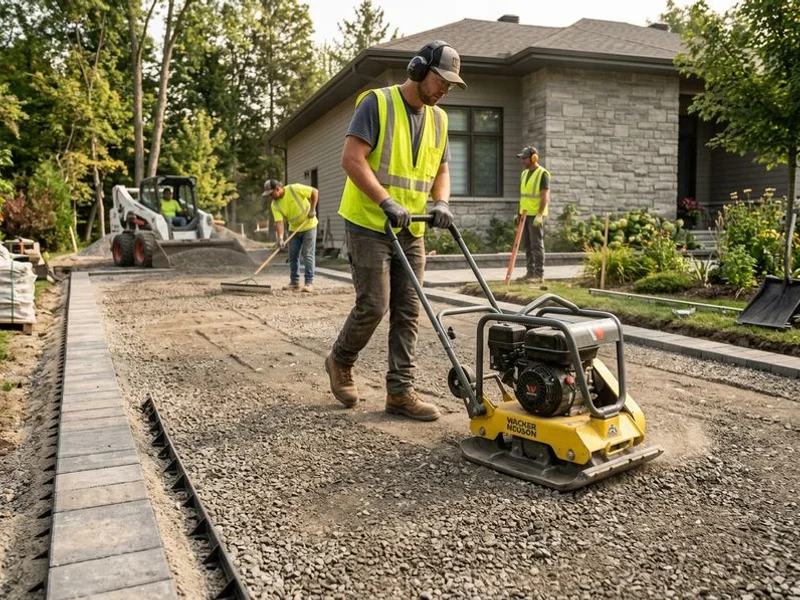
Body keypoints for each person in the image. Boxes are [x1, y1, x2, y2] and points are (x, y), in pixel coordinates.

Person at [324, 40, 466, 421]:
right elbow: (351, 159)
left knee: (409, 309)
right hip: (370, 222)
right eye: (441, 80)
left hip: (411, 228)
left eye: (451, 85)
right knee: (374, 304)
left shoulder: (440, 119)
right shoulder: (377, 103)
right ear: (419, 69)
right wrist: (385, 200)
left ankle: (400, 392)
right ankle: (340, 360)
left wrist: (442, 203)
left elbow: (441, 170)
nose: (444, 89)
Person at [264, 178, 319, 292]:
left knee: (308, 254)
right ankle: (294, 282)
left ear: (278, 189)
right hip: (294, 229)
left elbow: (314, 192)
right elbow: (279, 223)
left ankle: (309, 283)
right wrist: (280, 238)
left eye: (271, 194)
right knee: (293, 256)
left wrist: (312, 209)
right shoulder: (275, 205)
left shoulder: (295, 189)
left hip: (309, 225)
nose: (270, 197)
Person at [516, 145, 551, 282]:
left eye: (524, 158)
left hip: (535, 215)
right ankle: (530, 273)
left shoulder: (542, 173)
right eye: (522, 158)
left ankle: (538, 274)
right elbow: (523, 195)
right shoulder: (524, 173)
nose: (522, 161)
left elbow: (544, 196)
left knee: (536, 244)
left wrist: (540, 215)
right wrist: (518, 213)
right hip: (524, 214)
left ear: (534, 158)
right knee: (527, 245)